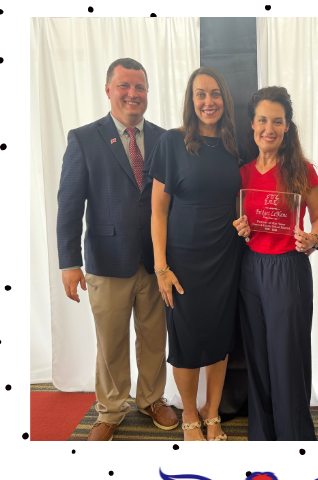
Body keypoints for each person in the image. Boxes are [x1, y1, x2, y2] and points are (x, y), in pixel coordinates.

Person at [56, 57, 178, 442]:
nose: (132, 94)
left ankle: (152, 399)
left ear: (147, 92)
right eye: (124, 86)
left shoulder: (164, 139)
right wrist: (69, 262)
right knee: (110, 340)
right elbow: (70, 204)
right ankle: (110, 409)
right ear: (108, 90)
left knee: (155, 336)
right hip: (106, 261)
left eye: (139, 87)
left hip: (156, 260)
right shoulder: (84, 138)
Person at [149, 67, 243, 441]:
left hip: (226, 257)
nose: (209, 101)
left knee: (220, 340)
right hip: (183, 262)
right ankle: (190, 414)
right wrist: (161, 267)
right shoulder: (172, 143)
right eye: (200, 94)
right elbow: (158, 209)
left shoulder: (237, 145)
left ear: (225, 99)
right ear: (191, 101)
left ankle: (212, 411)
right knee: (186, 341)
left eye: (215, 93)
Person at [232, 87, 318, 441]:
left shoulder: (301, 170)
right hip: (251, 270)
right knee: (257, 358)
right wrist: (240, 227)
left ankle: (295, 439)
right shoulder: (242, 174)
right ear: (252, 124)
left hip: (288, 269)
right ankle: (263, 437)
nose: (268, 128)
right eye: (262, 120)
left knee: (287, 359)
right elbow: (241, 222)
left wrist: (313, 238)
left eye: (277, 121)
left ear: (287, 126)